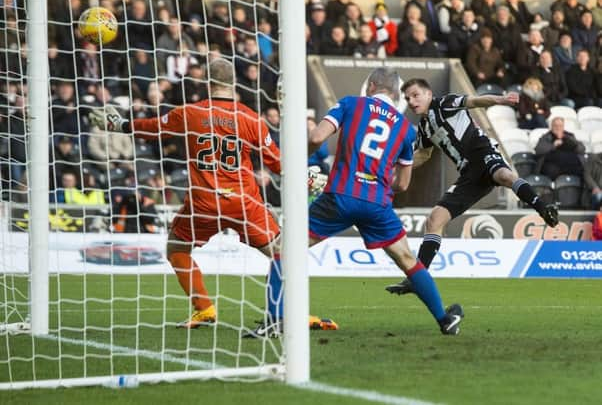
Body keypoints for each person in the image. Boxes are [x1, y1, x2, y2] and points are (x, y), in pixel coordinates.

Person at [89, 58, 334, 335]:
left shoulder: (190, 113)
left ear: (207, 82)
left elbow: (154, 128)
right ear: (234, 85)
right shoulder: (251, 118)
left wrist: (121, 125)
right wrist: (305, 175)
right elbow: (277, 163)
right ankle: (294, 313)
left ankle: (204, 306)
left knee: (176, 249)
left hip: (203, 203)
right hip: (244, 202)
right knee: (283, 253)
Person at [307, 68, 464, 335]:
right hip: (376, 203)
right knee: (406, 259)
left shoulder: (350, 103)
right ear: (395, 93)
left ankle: (275, 319)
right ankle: (444, 319)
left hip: (340, 196)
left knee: (285, 250)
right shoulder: (406, 129)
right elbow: (402, 184)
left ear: (370, 86)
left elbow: (316, 137)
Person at [386, 78, 559, 296]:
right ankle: (417, 278)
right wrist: (398, 164)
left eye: (415, 95)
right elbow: (424, 154)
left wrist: (500, 99)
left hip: (483, 153)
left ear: (428, 94)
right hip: (469, 175)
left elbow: (474, 101)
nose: (411, 101)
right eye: (407, 98)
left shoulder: (445, 103)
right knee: (434, 220)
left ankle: (544, 208)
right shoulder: (424, 126)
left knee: (505, 175)